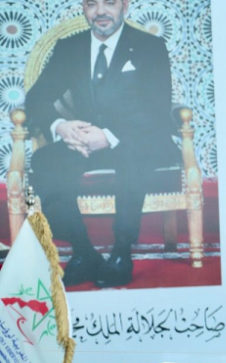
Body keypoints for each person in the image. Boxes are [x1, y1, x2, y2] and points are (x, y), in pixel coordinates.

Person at [25, 0, 178, 288]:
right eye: (92, 4)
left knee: (133, 156)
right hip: (85, 142)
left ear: (125, 5)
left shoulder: (149, 46)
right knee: (45, 161)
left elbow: (157, 108)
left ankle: (122, 251)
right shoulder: (69, 48)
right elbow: (35, 100)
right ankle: (84, 251)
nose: (101, 11)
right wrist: (61, 126)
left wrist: (108, 136)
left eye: (110, 2)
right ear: (83, 8)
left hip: (137, 139)